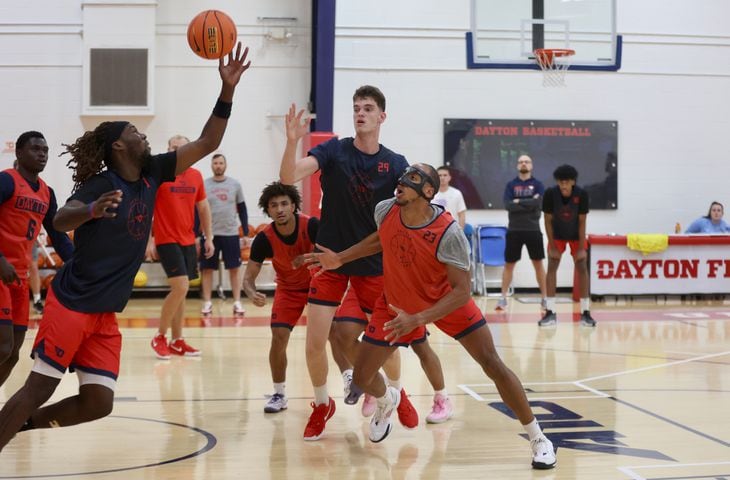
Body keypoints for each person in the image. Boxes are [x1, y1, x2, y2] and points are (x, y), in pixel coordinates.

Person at [0, 44, 250, 453]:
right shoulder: (99, 186)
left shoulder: (153, 172)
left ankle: (19, 425)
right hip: (73, 302)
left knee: (98, 403)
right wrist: (93, 211)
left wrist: (227, 92)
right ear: (118, 146)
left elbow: (207, 141)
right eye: (134, 131)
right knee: (39, 386)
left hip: (104, 313)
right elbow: (61, 220)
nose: (142, 134)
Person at [306, 163, 557, 469]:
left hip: (446, 302)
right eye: (403, 175)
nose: (401, 181)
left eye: (411, 178)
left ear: (427, 191)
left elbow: (463, 290)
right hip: (396, 303)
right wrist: (340, 259)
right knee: (361, 378)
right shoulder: (387, 209)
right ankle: (387, 401)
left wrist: (419, 318)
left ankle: (537, 436)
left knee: (492, 364)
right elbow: (379, 239)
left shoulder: (448, 232)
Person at [280, 85, 419, 441]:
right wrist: (292, 141)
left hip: (372, 263)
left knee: (386, 343)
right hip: (328, 260)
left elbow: (403, 218)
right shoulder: (334, 150)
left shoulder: (395, 164)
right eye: (356, 107)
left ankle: (397, 392)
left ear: (381, 117)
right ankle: (322, 404)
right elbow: (288, 176)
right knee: (315, 342)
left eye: (368, 108)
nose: (360, 113)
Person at [0, 131, 73, 388]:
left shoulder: (47, 193)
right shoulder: (6, 181)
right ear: (19, 153)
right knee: (3, 347)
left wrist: (78, 265)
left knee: (12, 354)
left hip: (19, 278)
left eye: (45, 150)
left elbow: (59, 235)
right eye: (35, 149)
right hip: (1, 272)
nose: (41, 154)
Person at [242, 182, 318, 413]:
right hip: (288, 289)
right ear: (268, 210)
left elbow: (332, 255)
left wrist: (306, 257)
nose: (280, 209)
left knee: (336, 335)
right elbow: (247, 278)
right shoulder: (264, 238)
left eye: (284, 203)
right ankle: (279, 393)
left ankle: (351, 380)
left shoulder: (312, 225)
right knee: (278, 336)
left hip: (317, 285)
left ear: (293, 205)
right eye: (274, 205)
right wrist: (252, 292)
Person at [148, 135, 214, 359]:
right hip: (166, 239)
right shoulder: (160, 175)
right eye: (173, 148)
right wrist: (149, 240)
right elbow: (147, 209)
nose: (177, 151)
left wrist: (209, 237)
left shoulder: (196, 176)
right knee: (181, 287)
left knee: (182, 292)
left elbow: (204, 208)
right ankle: (160, 336)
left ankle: (177, 341)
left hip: (188, 240)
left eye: (181, 148)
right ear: (168, 150)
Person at [540, 164, 595, 327]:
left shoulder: (582, 194)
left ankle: (586, 312)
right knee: (552, 266)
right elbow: (547, 221)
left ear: (573, 182)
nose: (563, 185)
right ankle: (550, 312)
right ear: (557, 182)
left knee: (582, 267)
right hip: (556, 234)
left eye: (567, 182)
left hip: (575, 234)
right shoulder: (550, 194)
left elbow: (582, 221)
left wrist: (580, 249)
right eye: (560, 182)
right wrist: (553, 247)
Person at [200, 153, 249, 317]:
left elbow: (242, 209)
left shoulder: (235, 184)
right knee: (207, 269)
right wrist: (195, 234)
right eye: (215, 163)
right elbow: (197, 210)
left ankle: (237, 302)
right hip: (210, 236)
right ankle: (207, 303)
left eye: (221, 163)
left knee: (234, 269)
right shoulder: (204, 185)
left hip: (230, 234)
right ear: (211, 166)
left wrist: (246, 233)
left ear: (225, 165)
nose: (218, 166)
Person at [497, 155, 547, 311]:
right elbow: (508, 205)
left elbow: (538, 203)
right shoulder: (511, 185)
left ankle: (545, 298)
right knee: (509, 265)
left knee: (538, 264)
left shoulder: (538, 185)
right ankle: (503, 298)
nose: (523, 163)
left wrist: (518, 202)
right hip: (514, 230)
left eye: (526, 161)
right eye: (520, 162)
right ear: (517, 166)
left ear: (531, 165)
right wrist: (528, 202)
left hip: (533, 229)